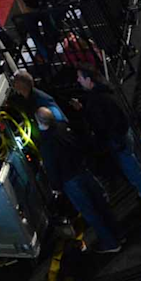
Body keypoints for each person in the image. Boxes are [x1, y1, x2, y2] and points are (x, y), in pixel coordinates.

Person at [72, 69, 141, 221]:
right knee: (137, 169)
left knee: (135, 174)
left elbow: (101, 123)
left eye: (80, 78)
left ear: (89, 80)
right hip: (123, 136)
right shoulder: (104, 93)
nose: (78, 80)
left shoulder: (97, 100)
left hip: (118, 141)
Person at [35, 107, 119, 252]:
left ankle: (110, 243)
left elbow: (51, 168)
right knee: (102, 205)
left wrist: (56, 188)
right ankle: (118, 234)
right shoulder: (63, 127)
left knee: (90, 212)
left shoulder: (46, 144)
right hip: (84, 171)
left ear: (40, 122)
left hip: (71, 181)